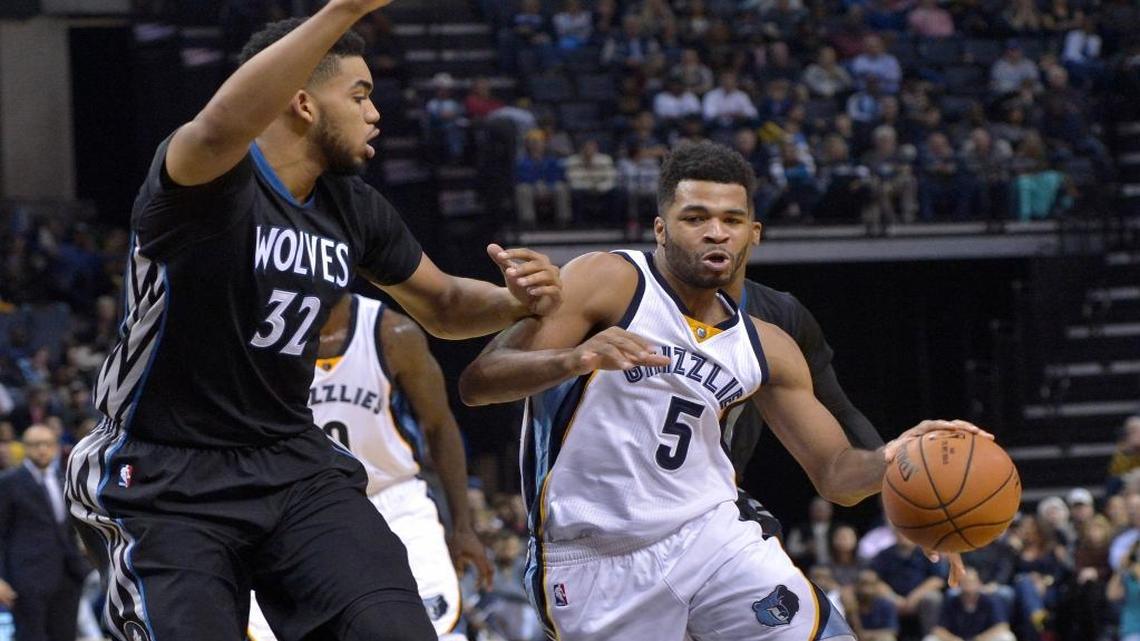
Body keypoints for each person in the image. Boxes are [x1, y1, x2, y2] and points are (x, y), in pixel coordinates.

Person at [64, 5, 563, 641]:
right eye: (359, 94)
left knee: (392, 627)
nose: (375, 112)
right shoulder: (211, 177)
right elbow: (219, 123)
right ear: (301, 103)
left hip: (291, 462)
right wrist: (343, 9)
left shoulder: (351, 206)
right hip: (166, 472)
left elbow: (444, 307)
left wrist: (516, 300)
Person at [458, 141, 982, 640]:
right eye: (696, 218)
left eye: (731, 221)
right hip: (593, 557)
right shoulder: (611, 280)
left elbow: (837, 475)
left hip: (711, 538)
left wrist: (901, 462)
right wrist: (575, 358)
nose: (716, 233)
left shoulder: (767, 345)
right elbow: (479, 382)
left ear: (753, 233)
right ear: (660, 230)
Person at [247, 293, 496, 640]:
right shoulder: (258, 334)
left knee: (432, 630)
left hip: (391, 498)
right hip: (296, 508)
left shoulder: (392, 333)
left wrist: (463, 527)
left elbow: (440, 426)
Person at [0, 425, 90, 641]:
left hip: (68, 576)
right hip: (27, 578)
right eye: (35, 445)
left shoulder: (66, 479)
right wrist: (1, 578)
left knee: (65, 635)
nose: (42, 449)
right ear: (24, 448)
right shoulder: (9, 483)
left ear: (56, 447)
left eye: (47, 444)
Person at [923, 567, 1015, 641]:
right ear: (959, 584)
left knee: (1006, 637)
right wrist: (953, 639)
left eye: (971, 581)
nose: (968, 585)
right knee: (930, 639)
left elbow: (1002, 626)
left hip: (983, 639)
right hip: (957, 639)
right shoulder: (951, 601)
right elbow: (938, 629)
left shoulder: (991, 600)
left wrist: (980, 639)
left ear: (979, 583)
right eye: (964, 581)